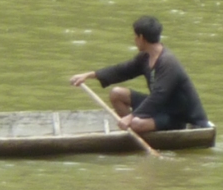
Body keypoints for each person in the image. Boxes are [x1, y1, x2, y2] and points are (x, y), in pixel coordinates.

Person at [69, 16, 209, 133]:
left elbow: (158, 96)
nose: (134, 39)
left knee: (136, 123)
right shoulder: (145, 56)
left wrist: (131, 117)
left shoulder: (168, 62)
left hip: (178, 116)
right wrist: (89, 75)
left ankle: (137, 129)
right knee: (116, 93)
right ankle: (135, 132)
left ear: (141, 38)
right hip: (161, 108)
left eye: (135, 36)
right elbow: (123, 70)